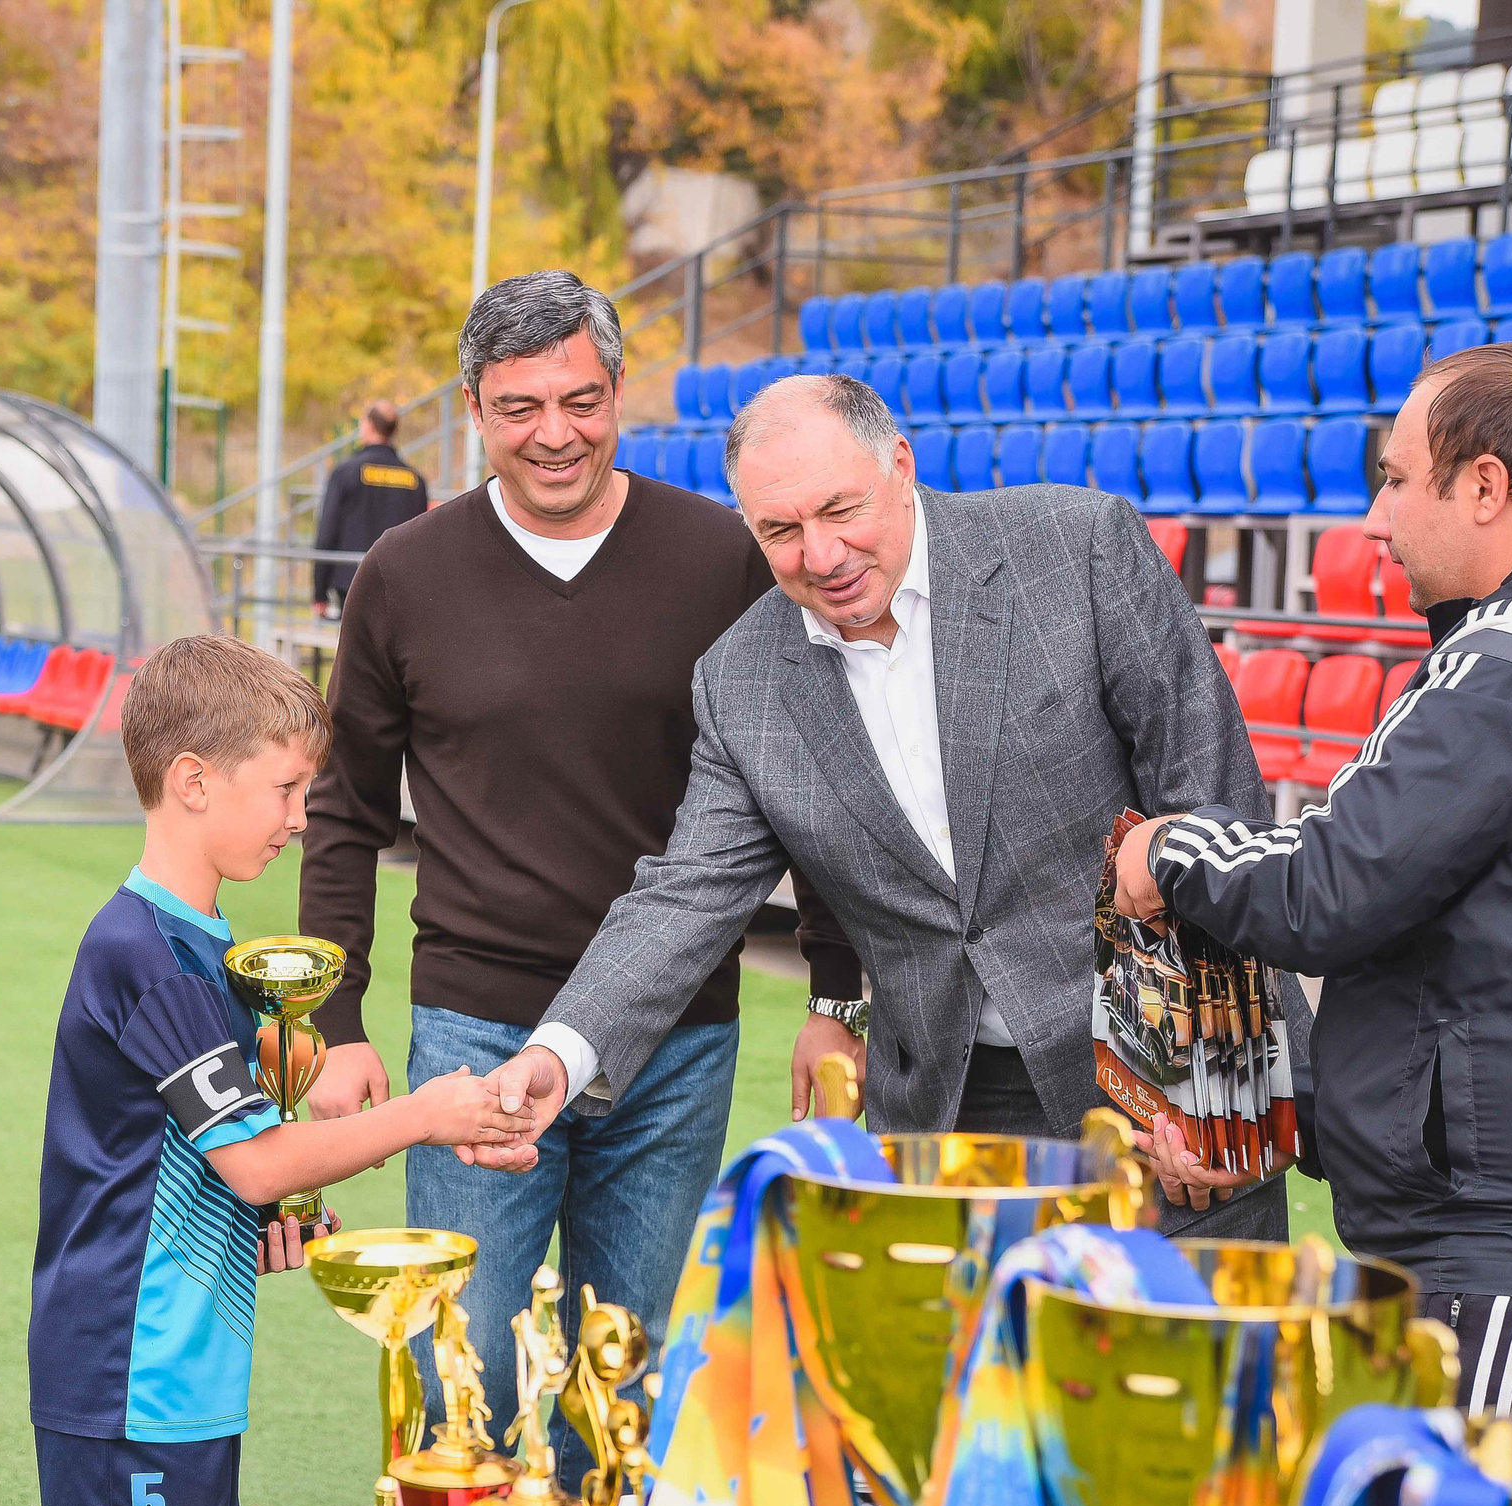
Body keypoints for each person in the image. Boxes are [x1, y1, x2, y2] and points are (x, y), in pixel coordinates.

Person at [477, 372, 1301, 1244]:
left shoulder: (1077, 547)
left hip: (1165, 1087)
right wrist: (560, 1050)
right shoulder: (739, 680)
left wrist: (1222, 1090)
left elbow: (1213, 804)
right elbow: (684, 894)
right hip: (942, 1118)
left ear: (900, 464)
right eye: (780, 530)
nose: (822, 554)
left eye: (841, 509)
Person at [296, 272, 863, 1482]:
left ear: (617, 395)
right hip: (474, 1040)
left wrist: (833, 992)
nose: (553, 432)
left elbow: (803, 779)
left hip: (676, 1040)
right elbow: (345, 808)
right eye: (519, 407)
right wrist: (335, 1022)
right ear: (472, 409)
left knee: (622, 1382)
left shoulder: (722, 559)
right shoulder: (403, 571)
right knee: (468, 1377)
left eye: (580, 399)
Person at [1115, 344, 1512, 1421]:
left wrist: (1172, 848)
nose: (1375, 521)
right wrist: (1275, 1122)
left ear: (1485, 486)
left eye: (1394, 479)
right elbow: (1485, 964)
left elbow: (1330, 888)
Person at [30, 633, 532, 1506]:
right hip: (134, 1364)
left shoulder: (194, 939)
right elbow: (257, 1161)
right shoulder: (153, 956)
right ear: (193, 780)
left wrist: (254, 1219)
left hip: (166, 1357)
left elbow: (196, 1159)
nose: (303, 816)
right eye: (287, 788)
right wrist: (424, 1114)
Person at [310, 400, 430, 616]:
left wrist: (319, 591)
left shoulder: (346, 472)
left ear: (369, 425)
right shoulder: (415, 480)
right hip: (399, 585)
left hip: (352, 582)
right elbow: (421, 540)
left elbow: (327, 531)